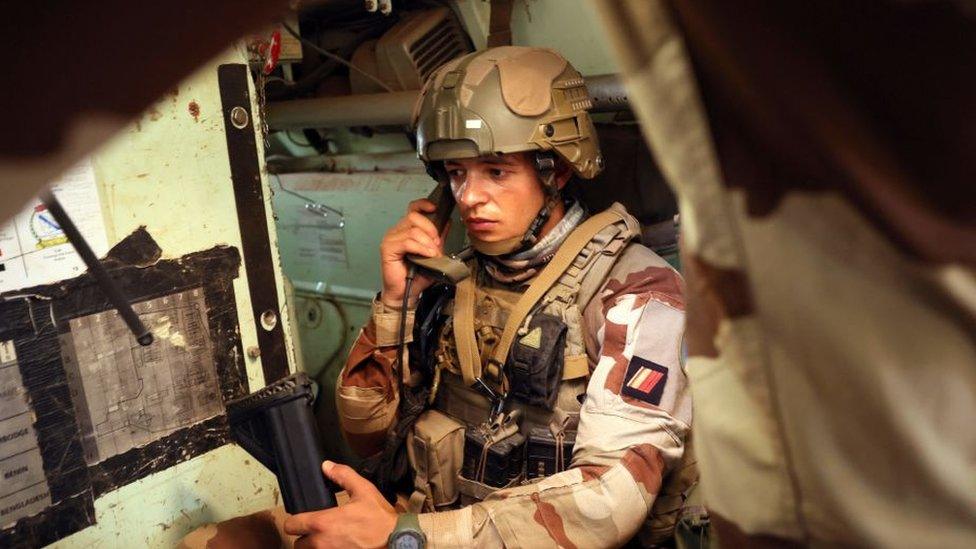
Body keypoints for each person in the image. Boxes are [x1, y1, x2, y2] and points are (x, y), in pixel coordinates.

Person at [283, 46, 701, 548]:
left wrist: (409, 537)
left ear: (557, 171)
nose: (468, 197)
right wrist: (397, 301)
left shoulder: (639, 291)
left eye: (496, 172)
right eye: (456, 174)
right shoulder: (449, 279)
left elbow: (609, 500)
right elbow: (368, 437)